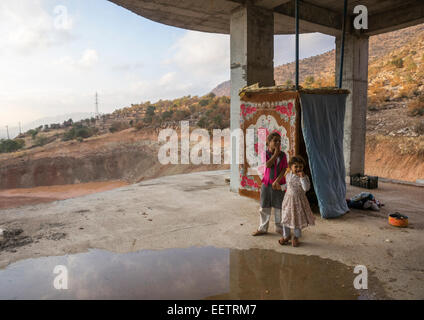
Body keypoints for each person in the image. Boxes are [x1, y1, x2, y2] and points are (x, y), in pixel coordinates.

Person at [252, 132, 288, 236]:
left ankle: (279, 228)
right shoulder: (265, 154)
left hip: (279, 184)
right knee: (264, 206)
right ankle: (263, 228)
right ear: (268, 142)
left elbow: (284, 168)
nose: (278, 143)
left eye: (279, 141)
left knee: (279, 207)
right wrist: (276, 153)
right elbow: (268, 165)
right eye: (275, 141)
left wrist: (277, 181)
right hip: (266, 184)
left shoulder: (283, 155)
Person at [278, 155, 315, 247]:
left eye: (300, 167)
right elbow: (288, 185)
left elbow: (306, 188)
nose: (298, 169)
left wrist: (302, 178)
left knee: (297, 220)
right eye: (296, 166)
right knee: (285, 218)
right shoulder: (288, 175)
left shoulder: (304, 177)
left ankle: (296, 237)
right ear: (291, 167)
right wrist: (281, 187)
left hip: (299, 201)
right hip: (288, 200)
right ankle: (286, 236)